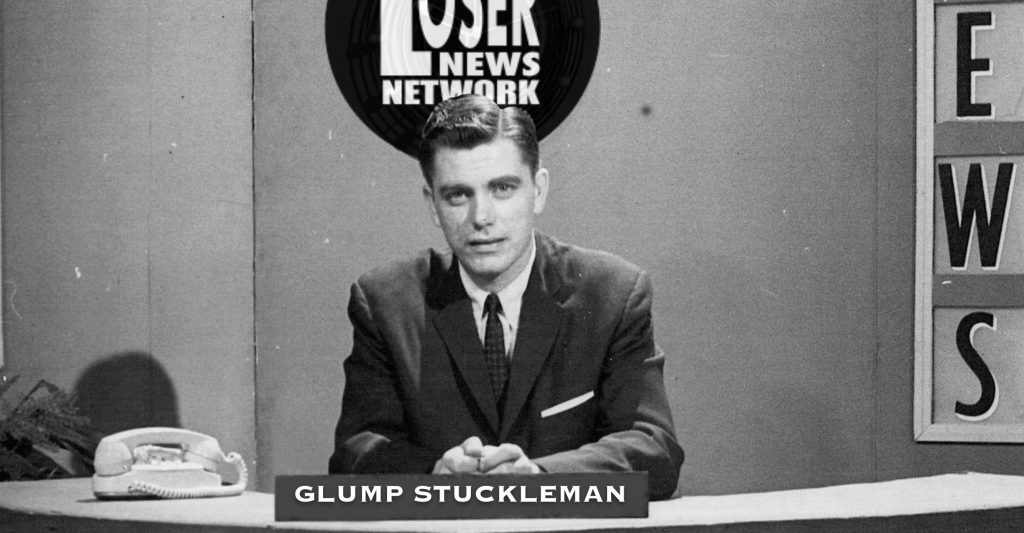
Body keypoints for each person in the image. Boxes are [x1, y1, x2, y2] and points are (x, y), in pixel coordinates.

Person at [328, 94, 684, 499]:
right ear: (433, 205)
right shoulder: (385, 303)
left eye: (502, 188)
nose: (481, 217)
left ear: (538, 190)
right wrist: (432, 474)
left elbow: (653, 447)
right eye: (458, 195)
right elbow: (355, 453)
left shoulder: (612, 295)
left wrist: (539, 479)